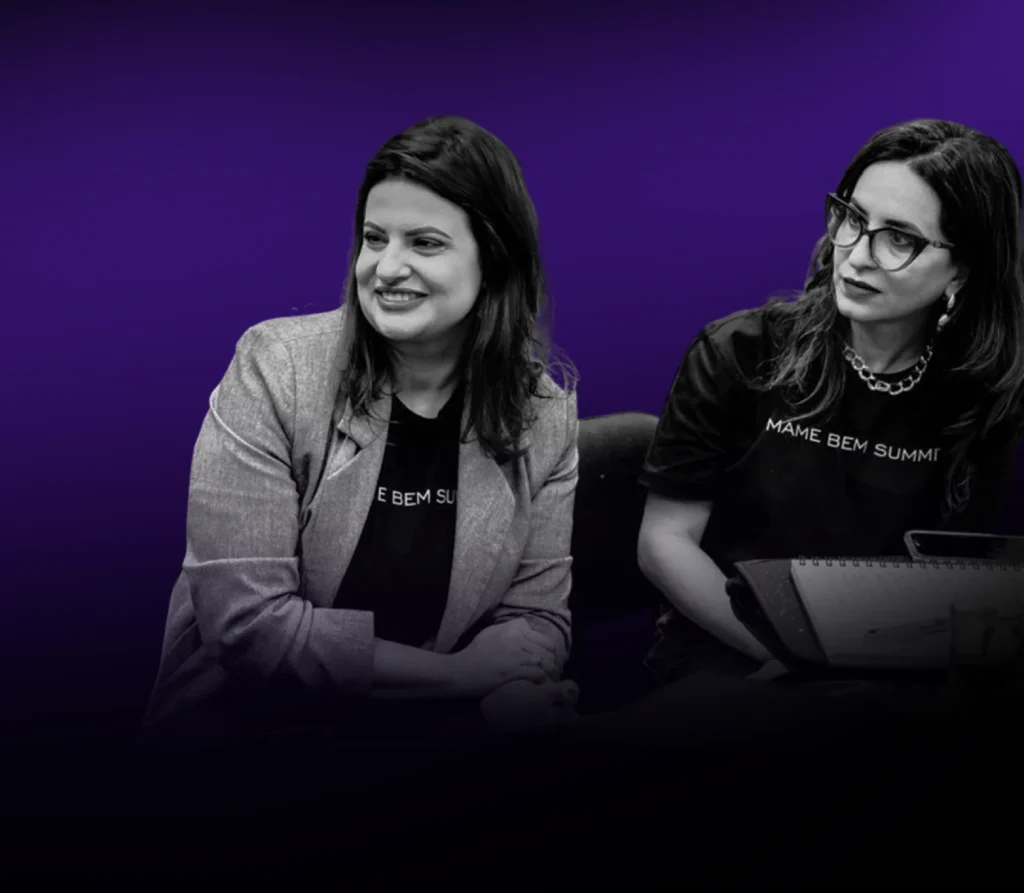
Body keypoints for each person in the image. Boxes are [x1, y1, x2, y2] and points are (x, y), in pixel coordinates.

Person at [142, 116, 580, 751]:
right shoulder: (276, 368)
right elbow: (249, 626)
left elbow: (536, 616)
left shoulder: (544, 413)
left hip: (433, 739)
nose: (386, 267)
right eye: (375, 239)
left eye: (425, 243)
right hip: (247, 738)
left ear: (495, 258)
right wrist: (459, 677)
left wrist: (512, 689)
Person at [637, 118, 1024, 684]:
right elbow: (663, 541)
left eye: (900, 238)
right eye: (853, 218)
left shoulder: (983, 394)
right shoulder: (738, 351)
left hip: (891, 664)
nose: (858, 254)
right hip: (734, 641)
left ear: (961, 270)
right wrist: (783, 653)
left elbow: (963, 578)